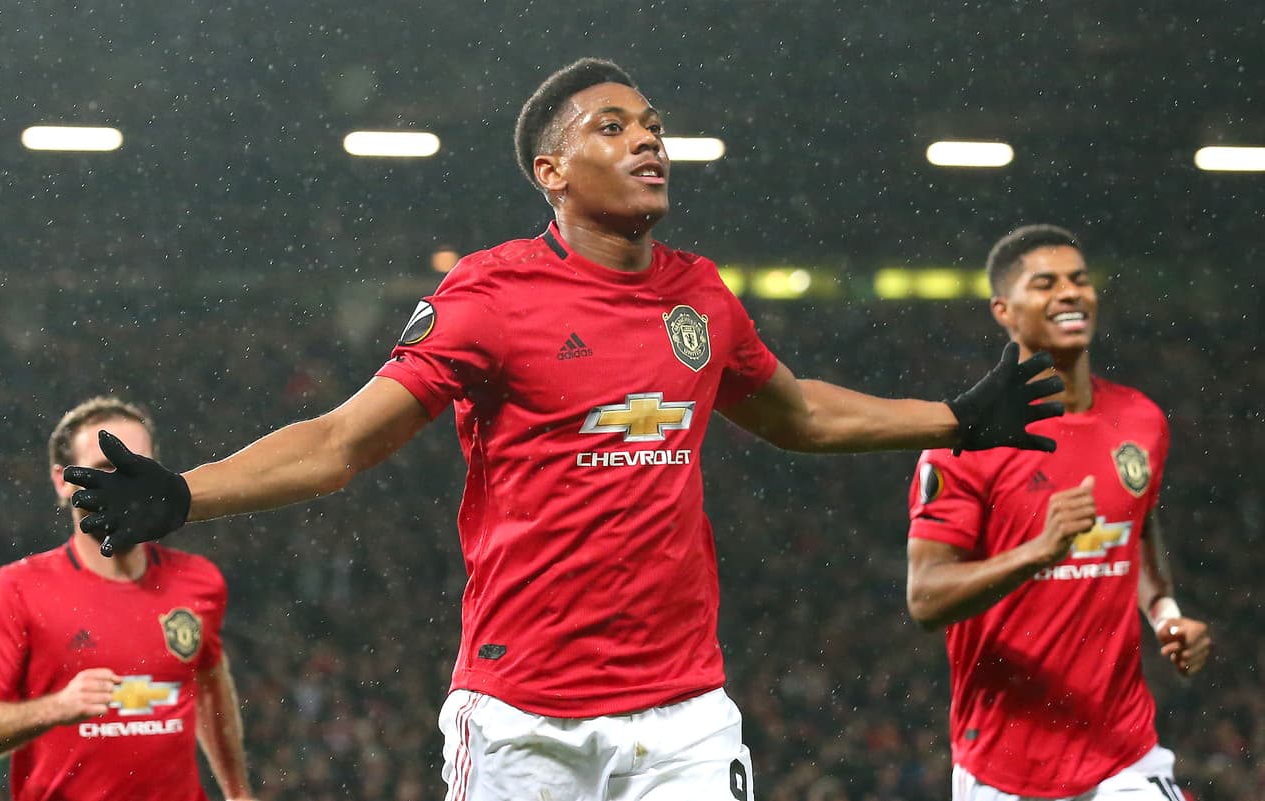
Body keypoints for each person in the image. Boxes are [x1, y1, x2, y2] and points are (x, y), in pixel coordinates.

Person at [66, 59, 1063, 801]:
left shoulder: (700, 298)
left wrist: (953, 418)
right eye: (613, 127)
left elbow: (795, 412)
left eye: (653, 125)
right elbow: (340, 442)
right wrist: (186, 490)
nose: (647, 141)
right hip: (520, 722)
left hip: (682, 715)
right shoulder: (491, 294)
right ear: (552, 170)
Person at [905, 225, 1213, 801]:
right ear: (1004, 309)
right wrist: (1037, 553)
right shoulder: (967, 440)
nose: (1070, 293)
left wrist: (1165, 611)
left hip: (1125, 754)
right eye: (1045, 284)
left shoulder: (1141, 420)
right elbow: (925, 599)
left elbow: (1138, 528)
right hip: (1005, 765)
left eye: (1079, 280)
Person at [0, 397, 256, 801]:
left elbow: (210, 686)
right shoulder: (17, 588)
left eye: (135, 468)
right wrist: (56, 707)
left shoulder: (200, 581)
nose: (121, 484)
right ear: (61, 480)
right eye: (103, 469)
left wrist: (238, 793)